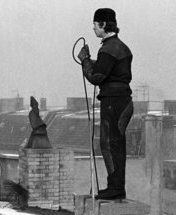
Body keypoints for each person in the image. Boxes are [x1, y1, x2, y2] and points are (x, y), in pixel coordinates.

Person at [78, 8, 134, 200]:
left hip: (114, 102)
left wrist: (85, 60)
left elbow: (96, 77)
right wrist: (91, 61)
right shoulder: (117, 46)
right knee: (114, 143)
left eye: (95, 25)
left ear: (103, 25)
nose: (93, 29)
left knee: (110, 144)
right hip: (121, 100)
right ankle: (115, 186)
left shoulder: (109, 49)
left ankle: (116, 187)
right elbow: (107, 70)